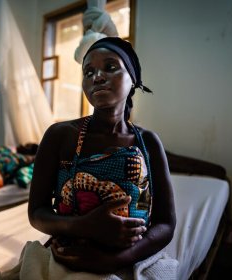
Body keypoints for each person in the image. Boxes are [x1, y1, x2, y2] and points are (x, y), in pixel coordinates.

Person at [28, 37, 176, 275]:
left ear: (133, 80)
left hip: (130, 257)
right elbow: (36, 213)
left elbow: (166, 224)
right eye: (88, 72)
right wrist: (84, 226)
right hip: (69, 253)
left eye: (110, 67)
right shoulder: (61, 135)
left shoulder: (148, 142)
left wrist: (114, 260)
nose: (96, 76)